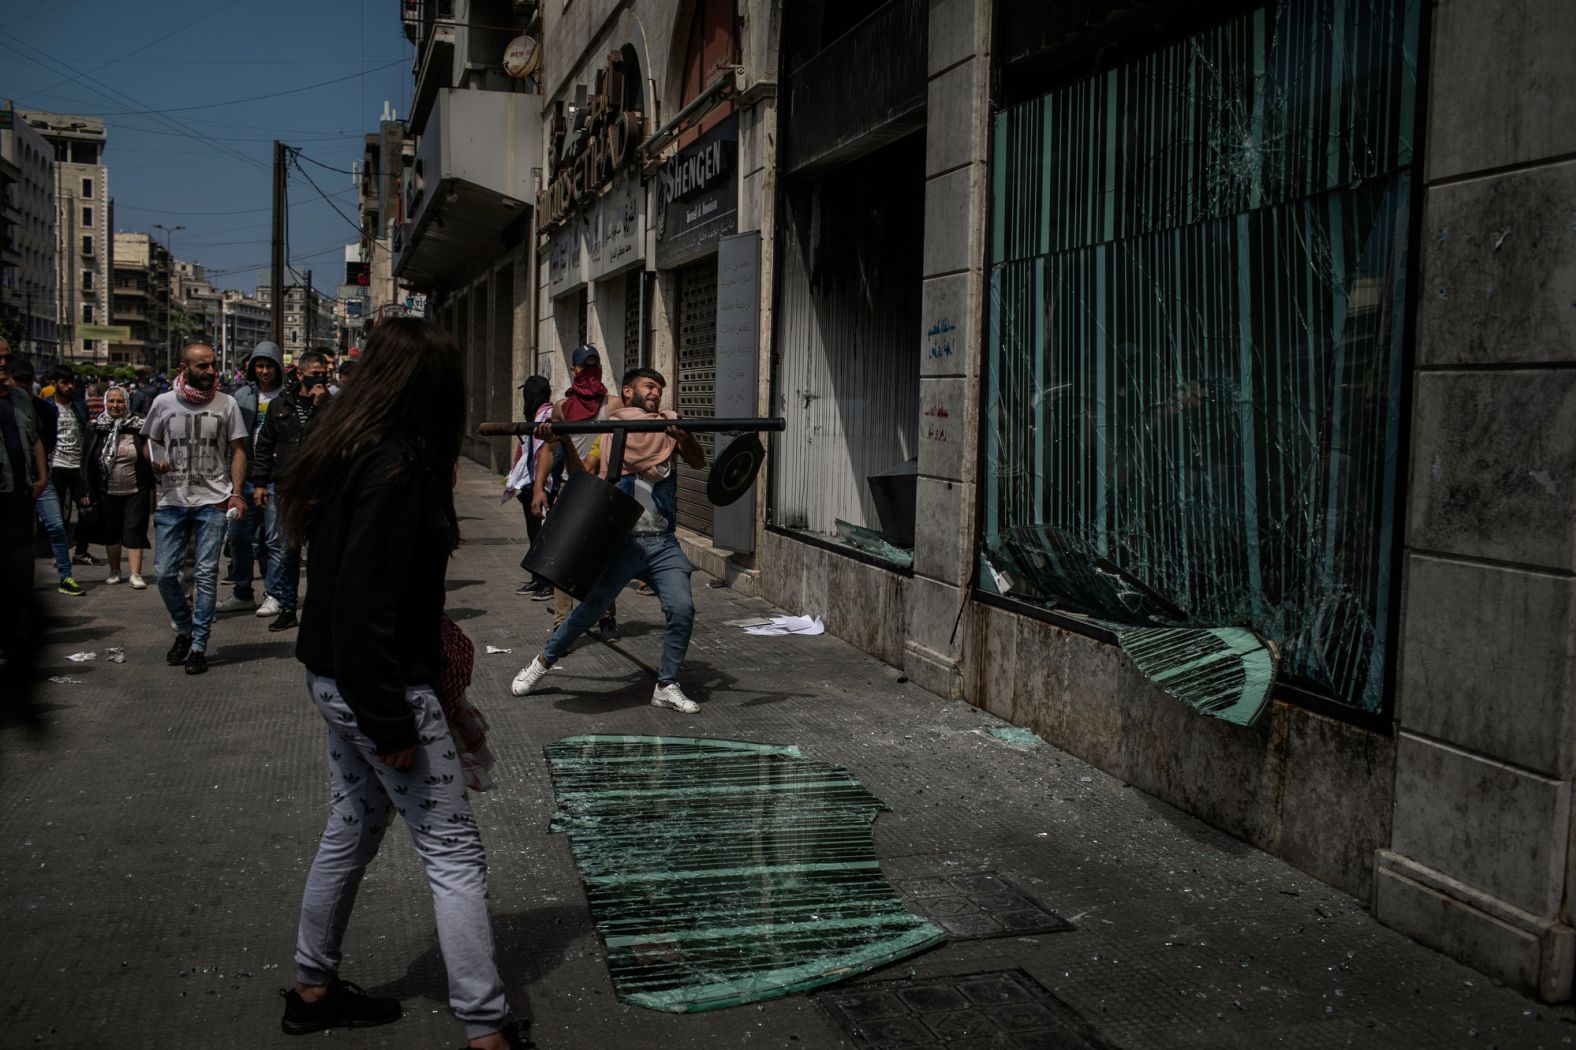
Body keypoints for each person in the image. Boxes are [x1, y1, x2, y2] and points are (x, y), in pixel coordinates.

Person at [277, 317, 525, 1050]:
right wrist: (389, 723)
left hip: (341, 680)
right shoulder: (396, 467)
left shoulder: (352, 452)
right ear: (431, 388)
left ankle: (312, 987)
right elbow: (363, 604)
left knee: (350, 830)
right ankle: (487, 1030)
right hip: (376, 690)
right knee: (453, 854)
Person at [511, 367, 707, 714]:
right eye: (649, 386)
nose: (656, 393)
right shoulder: (608, 436)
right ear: (628, 393)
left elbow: (697, 460)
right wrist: (562, 440)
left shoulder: (669, 430)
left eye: (660, 389)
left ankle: (666, 684)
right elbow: (585, 475)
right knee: (586, 612)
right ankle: (541, 663)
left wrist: (686, 437)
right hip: (622, 546)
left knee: (682, 608)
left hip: (661, 543)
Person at [143, 340, 249, 676]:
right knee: (163, 574)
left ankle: (199, 645)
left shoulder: (226, 404)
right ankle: (184, 628)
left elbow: (238, 450)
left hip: (212, 502)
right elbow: (151, 440)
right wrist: (155, 461)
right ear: (183, 369)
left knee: (205, 574)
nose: (210, 371)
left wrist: (237, 493)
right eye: (202, 366)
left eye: (212, 365)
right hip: (172, 502)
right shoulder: (162, 403)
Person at [249, 349, 331, 631]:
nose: (320, 379)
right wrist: (259, 482)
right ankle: (286, 606)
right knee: (286, 551)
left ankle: (321, 607)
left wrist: (322, 407)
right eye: (314, 374)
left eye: (324, 374)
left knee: (322, 551)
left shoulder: (332, 406)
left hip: (321, 488)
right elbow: (264, 446)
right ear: (299, 374)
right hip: (287, 488)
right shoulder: (280, 405)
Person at [547, 344, 621, 638]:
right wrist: (540, 487)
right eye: (584, 366)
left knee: (601, 557)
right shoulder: (561, 408)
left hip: (604, 487)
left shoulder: (612, 405)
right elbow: (549, 450)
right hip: (570, 484)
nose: (590, 372)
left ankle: (605, 616)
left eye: (595, 365)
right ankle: (561, 621)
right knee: (562, 555)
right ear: (574, 370)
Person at [218, 340, 284, 613]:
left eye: (269, 365)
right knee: (238, 537)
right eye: (260, 365)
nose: (265, 371)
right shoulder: (240, 397)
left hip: (275, 475)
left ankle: (275, 593)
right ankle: (242, 591)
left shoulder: (287, 396)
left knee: (274, 540)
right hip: (244, 474)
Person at [0, 338, 49, 705]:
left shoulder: (18, 398)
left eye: (6, 357)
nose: (3, 363)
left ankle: (12, 641)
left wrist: (40, 475)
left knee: (19, 574)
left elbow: (33, 439)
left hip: (19, 497)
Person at [9, 358, 81, 596]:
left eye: (27, 380)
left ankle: (65, 576)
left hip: (40, 474)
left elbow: (44, 443)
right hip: (11, 478)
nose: (23, 385)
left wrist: (41, 476)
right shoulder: (9, 405)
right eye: (18, 380)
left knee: (56, 525)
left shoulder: (44, 409)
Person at [85, 386, 155, 588]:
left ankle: (136, 574)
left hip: (136, 488)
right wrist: (86, 489)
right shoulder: (95, 426)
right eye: (111, 401)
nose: (115, 405)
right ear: (105, 403)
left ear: (127, 402)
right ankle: (115, 570)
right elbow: (87, 459)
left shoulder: (139, 424)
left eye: (120, 401)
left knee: (134, 528)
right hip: (105, 489)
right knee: (111, 530)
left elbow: (150, 451)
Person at [503, 375, 555, 600]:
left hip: (542, 485)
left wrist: (539, 487)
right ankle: (537, 579)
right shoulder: (535, 416)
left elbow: (546, 452)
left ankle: (547, 583)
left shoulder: (547, 416)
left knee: (543, 536)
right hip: (530, 484)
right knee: (534, 535)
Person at [46, 366, 98, 567]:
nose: (69, 387)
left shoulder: (79, 406)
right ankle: (58, 555)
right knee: (56, 517)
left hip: (77, 467)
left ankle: (81, 551)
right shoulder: (47, 406)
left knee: (87, 510)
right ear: (54, 384)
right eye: (64, 382)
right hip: (56, 466)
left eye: (71, 383)